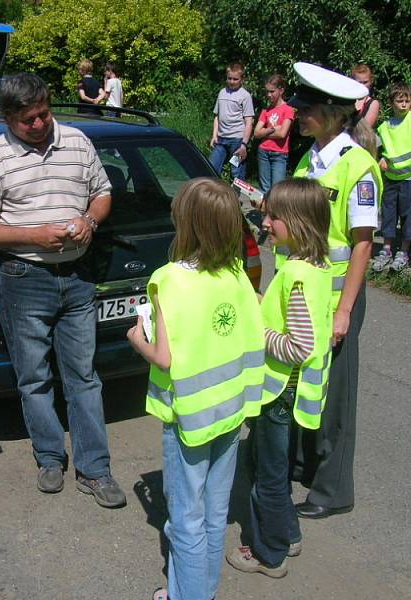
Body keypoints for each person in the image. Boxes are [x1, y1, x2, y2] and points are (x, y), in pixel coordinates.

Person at [0, 73, 126, 508]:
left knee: (84, 378)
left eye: (44, 114)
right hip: (23, 280)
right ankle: (50, 457)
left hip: (77, 277)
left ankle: (95, 470)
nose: (39, 124)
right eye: (28, 120)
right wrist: (35, 236)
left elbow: (102, 194)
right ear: (8, 119)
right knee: (34, 378)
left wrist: (90, 221)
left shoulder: (76, 141)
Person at [126, 177, 266, 600]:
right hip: (231, 410)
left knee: (185, 518)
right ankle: (199, 591)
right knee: (214, 512)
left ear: (186, 225)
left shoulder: (169, 279)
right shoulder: (238, 273)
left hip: (188, 416)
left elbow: (165, 358)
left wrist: (137, 340)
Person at [280, 62, 382, 519]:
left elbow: (362, 245)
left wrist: (345, 310)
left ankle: (333, 490)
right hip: (305, 296)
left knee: (336, 395)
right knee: (306, 383)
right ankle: (303, 464)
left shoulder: (357, 166)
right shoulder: (310, 159)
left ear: (335, 114)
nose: (297, 116)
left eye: (307, 110)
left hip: (337, 300)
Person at [227, 178, 333, 579]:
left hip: (278, 392)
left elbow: (299, 346)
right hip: (293, 391)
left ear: (299, 222)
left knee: (266, 476)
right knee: (274, 466)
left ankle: (268, 553)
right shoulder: (315, 267)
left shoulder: (297, 277)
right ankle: (287, 533)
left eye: (273, 216)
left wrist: (257, 328)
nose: (265, 222)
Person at [371, 83, 411, 272]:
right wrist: (380, 158)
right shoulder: (385, 126)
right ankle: (387, 249)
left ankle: (403, 251)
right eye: (399, 101)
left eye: (407, 100)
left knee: (408, 215)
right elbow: (374, 146)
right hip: (391, 177)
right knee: (388, 213)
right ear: (392, 103)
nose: (404, 104)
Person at [209, 62, 255, 181]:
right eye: (229, 78)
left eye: (235, 79)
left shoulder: (245, 96)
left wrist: (244, 144)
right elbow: (217, 116)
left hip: (237, 139)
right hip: (221, 139)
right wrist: (214, 135)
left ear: (242, 79)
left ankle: (237, 197)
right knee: (211, 168)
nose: (232, 81)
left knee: (236, 172)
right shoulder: (222, 92)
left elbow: (249, 122)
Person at [253, 74, 295, 195]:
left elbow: (282, 134)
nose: (269, 95)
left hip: (279, 154)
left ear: (281, 90)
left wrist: (264, 132)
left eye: (272, 91)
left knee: (277, 189)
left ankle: (276, 213)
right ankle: (264, 213)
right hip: (263, 151)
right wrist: (272, 129)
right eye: (267, 92)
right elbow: (256, 133)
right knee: (264, 189)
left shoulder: (288, 109)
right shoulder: (266, 110)